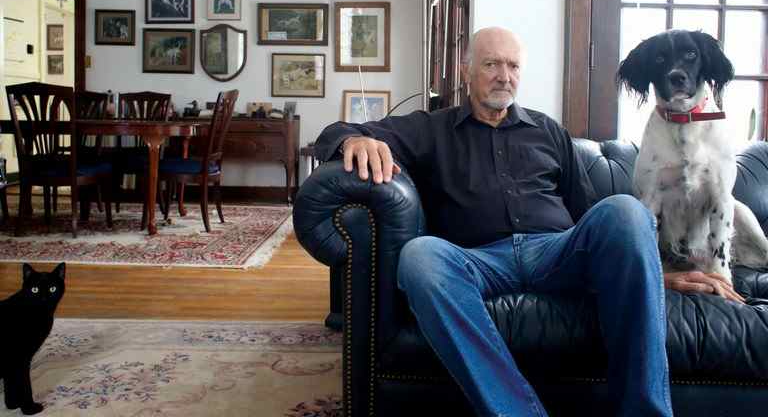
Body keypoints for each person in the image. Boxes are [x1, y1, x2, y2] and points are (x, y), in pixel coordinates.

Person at [314, 27, 739, 416]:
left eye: (512, 65)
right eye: (491, 64)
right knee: (420, 256)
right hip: (478, 259)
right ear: (467, 72)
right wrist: (354, 138)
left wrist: (648, 268)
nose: (503, 75)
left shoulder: (548, 131)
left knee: (625, 211)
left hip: (556, 252)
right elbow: (332, 132)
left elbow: (590, 215)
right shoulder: (431, 128)